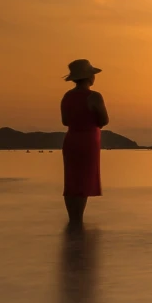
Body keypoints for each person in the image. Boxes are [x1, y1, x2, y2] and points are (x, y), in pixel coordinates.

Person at [60, 59, 109, 226]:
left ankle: (73, 220)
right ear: (89, 77)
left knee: (72, 179)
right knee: (83, 179)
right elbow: (104, 119)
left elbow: (65, 121)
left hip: (71, 139)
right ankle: (78, 221)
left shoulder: (67, 96)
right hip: (88, 141)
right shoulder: (94, 96)